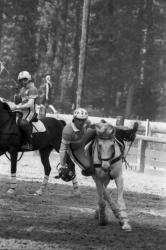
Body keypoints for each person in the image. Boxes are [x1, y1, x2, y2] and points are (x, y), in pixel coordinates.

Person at [59, 108, 138, 179]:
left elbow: (97, 126)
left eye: (83, 119)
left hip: (83, 137)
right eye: (79, 120)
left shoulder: (87, 122)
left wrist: (105, 127)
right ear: (74, 119)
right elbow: (63, 149)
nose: (82, 122)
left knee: (104, 128)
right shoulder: (67, 131)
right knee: (89, 169)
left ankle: (127, 133)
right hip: (75, 148)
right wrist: (62, 165)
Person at [12, 70, 38, 150]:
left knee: (23, 123)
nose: (23, 82)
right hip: (21, 111)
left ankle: (29, 143)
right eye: (21, 80)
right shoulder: (22, 89)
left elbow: (30, 104)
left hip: (30, 112)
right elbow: (17, 102)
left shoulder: (33, 89)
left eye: (25, 79)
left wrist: (17, 107)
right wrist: (16, 93)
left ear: (28, 79)